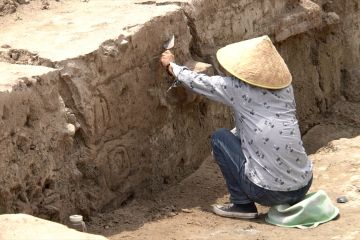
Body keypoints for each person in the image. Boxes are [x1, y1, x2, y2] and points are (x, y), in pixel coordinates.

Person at [160, 35, 313, 219]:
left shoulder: (238, 88)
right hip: (303, 185)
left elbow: (201, 83)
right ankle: (286, 196)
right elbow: (256, 128)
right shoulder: (285, 89)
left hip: (268, 192)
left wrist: (171, 66)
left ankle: (242, 204)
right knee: (233, 139)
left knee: (220, 138)